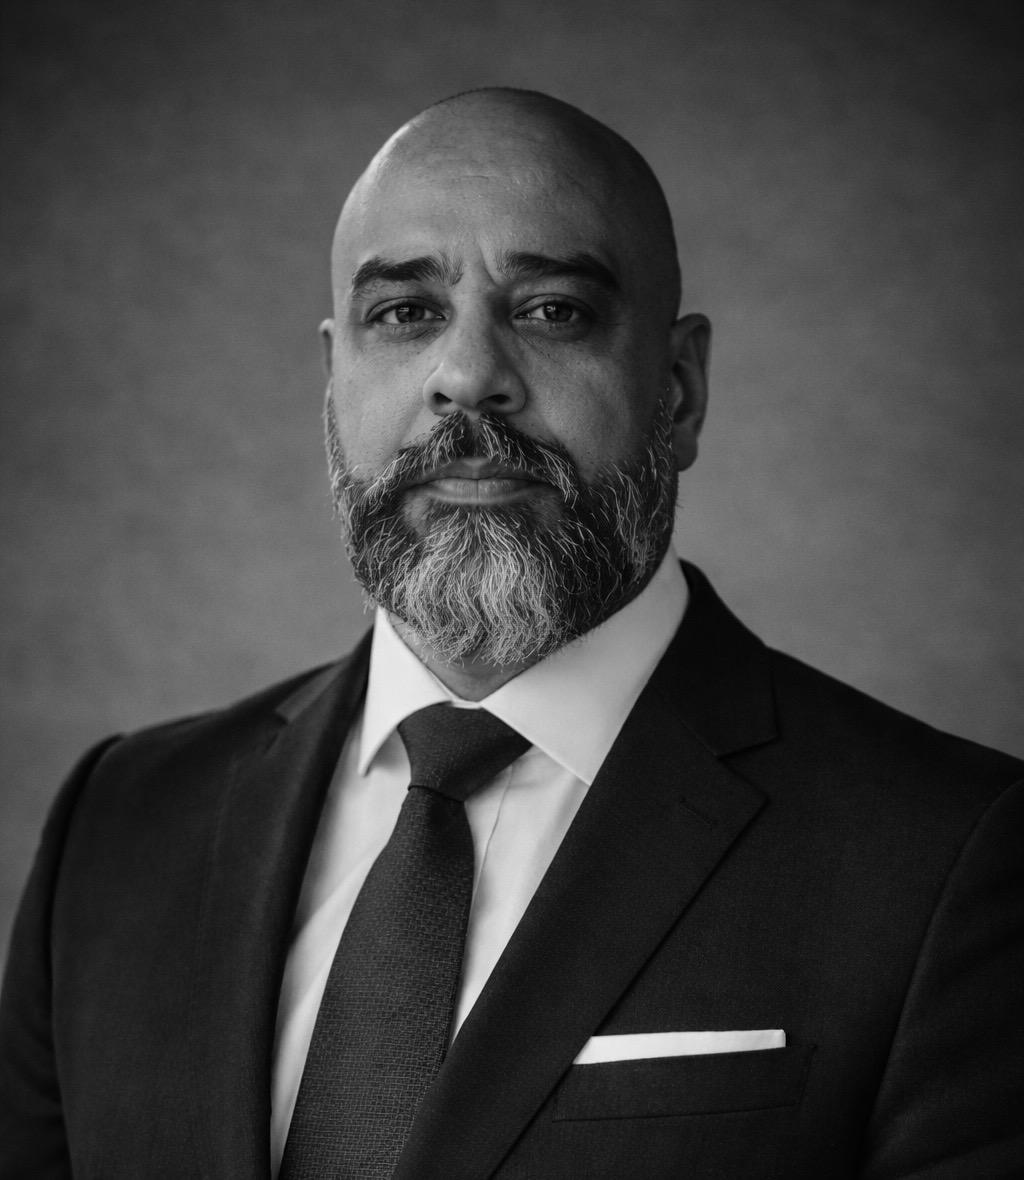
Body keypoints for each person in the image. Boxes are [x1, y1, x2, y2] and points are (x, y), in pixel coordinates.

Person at [1, 87, 1021, 1180]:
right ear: (332, 381)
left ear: (676, 392)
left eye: (552, 311)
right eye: (404, 314)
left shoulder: (952, 856)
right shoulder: (120, 828)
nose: (467, 376)